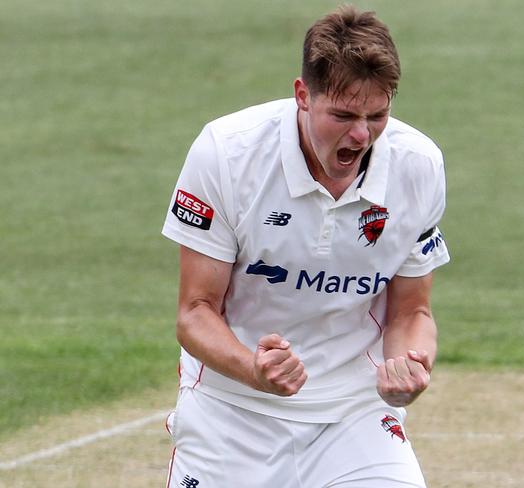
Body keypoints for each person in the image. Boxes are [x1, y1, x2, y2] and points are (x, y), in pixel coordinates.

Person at [162, 5, 450, 487]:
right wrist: (255, 370)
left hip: (354, 413)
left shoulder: (418, 165)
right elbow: (194, 312)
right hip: (231, 410)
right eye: (343, 115)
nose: (361, 136)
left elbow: (410, 313)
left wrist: (410, 367)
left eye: (377, 115)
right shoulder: (227, 153)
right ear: (302, 95)